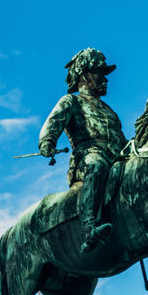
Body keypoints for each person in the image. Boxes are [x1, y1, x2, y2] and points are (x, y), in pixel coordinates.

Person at [38, 47, 128, 254]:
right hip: (87, 157)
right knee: (97, 165)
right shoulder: (72, 101)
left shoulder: (109, 111)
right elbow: (52, 123)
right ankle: (88, 227)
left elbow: (120, 139)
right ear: (85, 75)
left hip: (116, 157)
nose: (106, 79)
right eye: (100, 74)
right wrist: (47, 142)